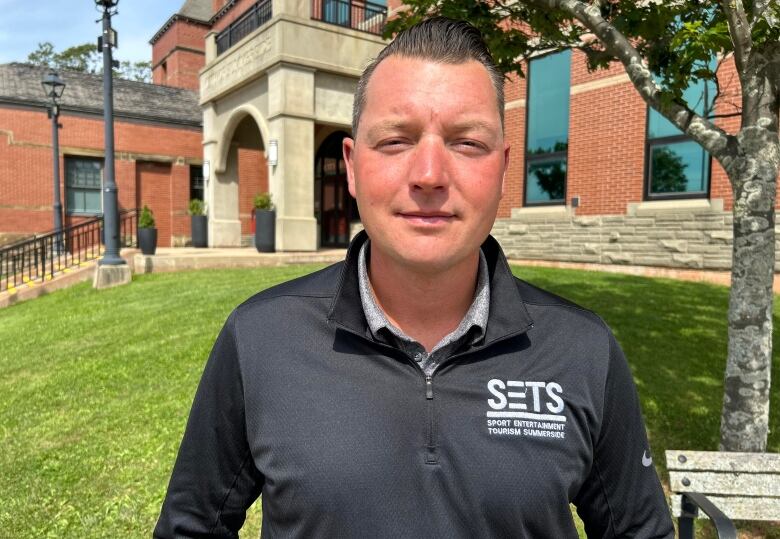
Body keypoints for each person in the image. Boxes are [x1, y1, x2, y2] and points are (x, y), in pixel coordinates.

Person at [155, 17, 674, 538]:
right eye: (396, 141)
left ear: (502, 168)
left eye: (467, 143)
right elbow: (191, 527)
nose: (429, 175)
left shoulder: (583, 350)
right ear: (353, 168)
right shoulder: (259, 338)